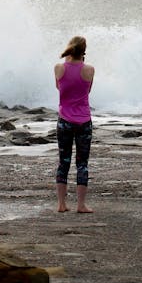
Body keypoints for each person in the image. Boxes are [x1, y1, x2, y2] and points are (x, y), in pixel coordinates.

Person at [54, 35, 95, 213]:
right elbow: (88, 90)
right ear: (84, 51)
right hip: (84, 121)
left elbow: (59, 88)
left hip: (64, 120)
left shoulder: (58, 68)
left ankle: (62, 204)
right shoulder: (90, 70)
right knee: (82, 163)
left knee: (64, 162)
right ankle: (81, 205)